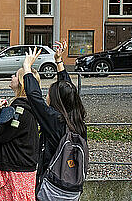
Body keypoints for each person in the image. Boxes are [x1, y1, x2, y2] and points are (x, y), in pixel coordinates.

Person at [19, 41, 88, 195]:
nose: (46, 97)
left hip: (52, 185)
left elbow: (34, 97)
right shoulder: (77, 119)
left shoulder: (55, 121)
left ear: (56, 100)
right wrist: (58, 61)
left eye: (49, 94)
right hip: (73, 187)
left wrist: (27, 69)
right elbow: (69, 91)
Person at [0, 67, 41, 201]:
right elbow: (8, 130)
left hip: (13, 171)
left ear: (21, 82)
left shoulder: (19, 111)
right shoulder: (29, 107)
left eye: (15, 75)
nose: (12, 77)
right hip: (22, 169)